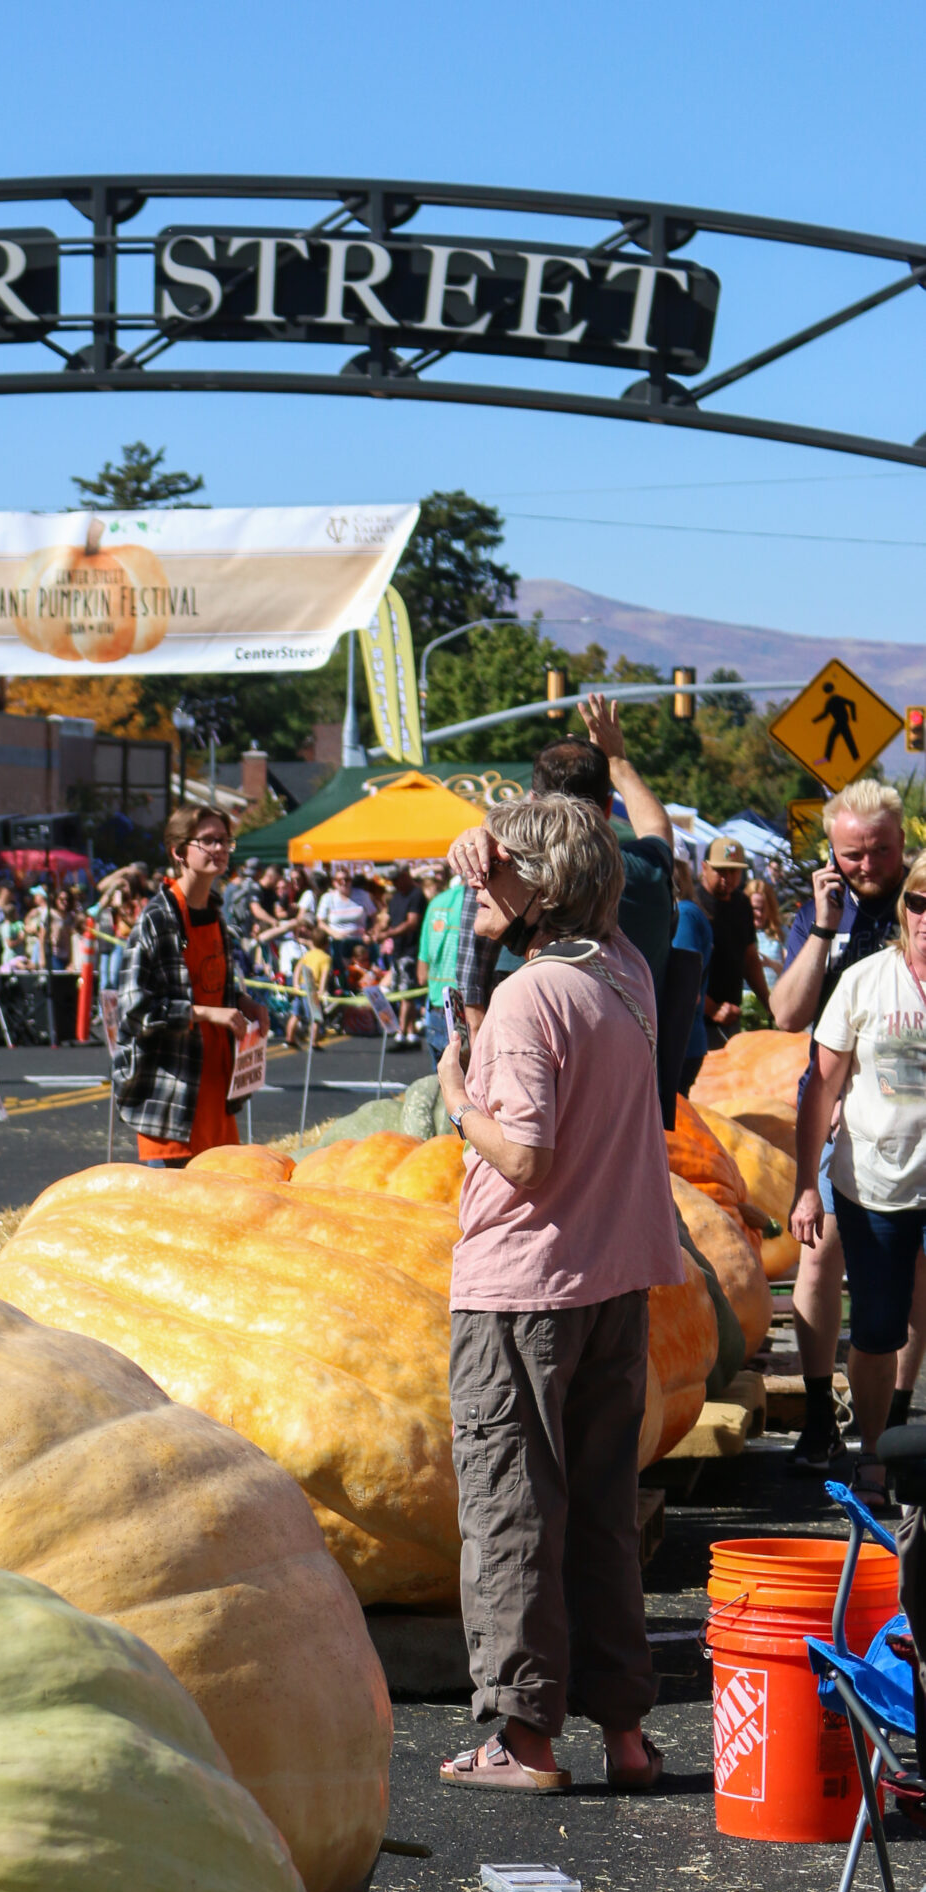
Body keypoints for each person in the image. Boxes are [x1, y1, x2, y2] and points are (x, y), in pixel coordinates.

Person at [435, 794, 681, 1793]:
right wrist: (487, 869)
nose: (480, 883)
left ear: (536, 886)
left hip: (523, 1287)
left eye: (498, 869)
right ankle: (624, 1732)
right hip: (616, 1279)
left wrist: (459, 1102)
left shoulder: (535, 996)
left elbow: (526, 1156)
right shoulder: (624, 971)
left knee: (512, 1509)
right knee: (602, 1514)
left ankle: (521, 1741)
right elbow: (519, 923)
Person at [771, 780, 920, 1466]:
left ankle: (892, 1417)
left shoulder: (916, 895)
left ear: (902, 845)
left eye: (880, 852)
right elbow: (785, 1013)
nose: (867, 866)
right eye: (852, 854)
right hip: (837, 1112)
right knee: (819, 1254)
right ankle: (819, 1415)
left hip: (898, 1118)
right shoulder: (820, 913)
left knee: (906, 1283)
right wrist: (824, 926)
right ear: (831, 851)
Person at [447, 696, 675, 1040]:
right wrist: (618, 760)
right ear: (608, 808)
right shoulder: (644, 874)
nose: (482, 883)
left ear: (535, 807)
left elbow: (474, 995)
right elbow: (658, 830)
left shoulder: (513, 871)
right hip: (639, 1084)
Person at [113, 806, 268, 1167]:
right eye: (208, 840)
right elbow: (134, 1011)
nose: (220, 848)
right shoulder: (156, 919)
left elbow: (218, 988)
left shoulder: (215, 912)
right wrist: (206, 1013)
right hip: (172, 1102)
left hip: (217, 1096)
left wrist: (246, 1004)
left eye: (225, 840)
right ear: (178, 851)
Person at [696, 839, 771, 1032]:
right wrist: (711, 1008)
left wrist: (769, 1003)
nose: (727, 878)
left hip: (731, 1019)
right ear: (705, 868)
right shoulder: (692, 906)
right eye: (721, 870)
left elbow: (750, 957)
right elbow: (679, 973)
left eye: (734, 871)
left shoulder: (742, 904)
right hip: (695, 1022)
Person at [670, 856, 715, 1094]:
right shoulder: (685, 912)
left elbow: (684, 988)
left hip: (681, 1044)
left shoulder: (684, 915)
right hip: (684, 1042)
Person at [417, 865, 462, 1064]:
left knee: (441, 1083)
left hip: (435, 1004)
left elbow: (421, 969)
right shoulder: (477, 902)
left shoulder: (436, 902)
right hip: (463, 1009)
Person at [284, 924, 332, 1050]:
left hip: (301, 986)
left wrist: (295, 984)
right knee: (315, 1017)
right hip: (311, 988)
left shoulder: (308, 954)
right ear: (326, 944)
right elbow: (324, 975)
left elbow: (298, 969)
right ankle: (313, 1042)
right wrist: (322, 990)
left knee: (296, 1014)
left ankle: (289, 1038)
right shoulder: (325, 958)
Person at [749, 875, 787, 985]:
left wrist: (770, 963)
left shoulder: (781, 932)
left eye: (763, 909)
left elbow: (791, 971)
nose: (759, 914)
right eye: (755, 909)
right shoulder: (739, 933)